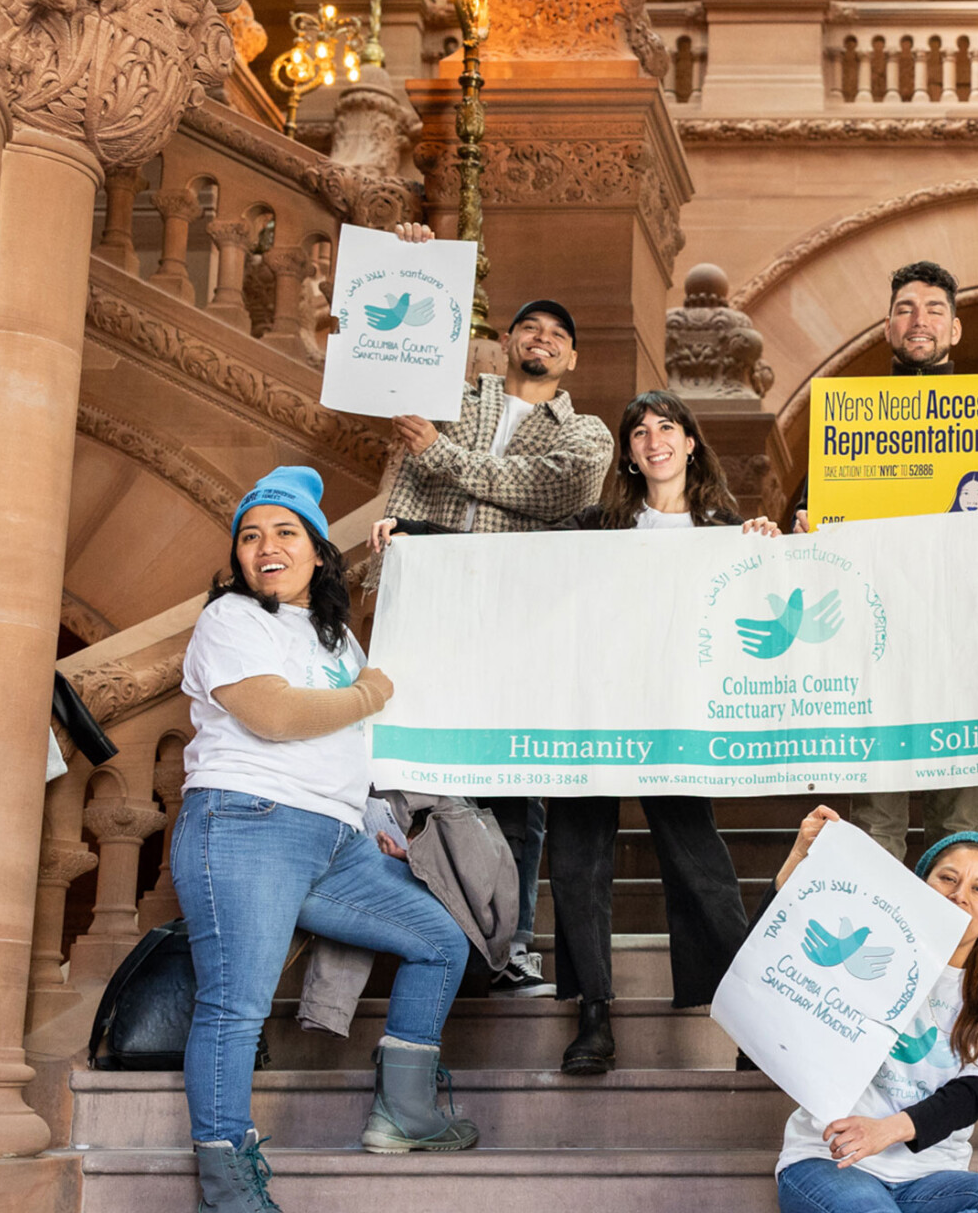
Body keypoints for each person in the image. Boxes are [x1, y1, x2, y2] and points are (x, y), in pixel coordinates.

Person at [174, 468, 478, 1211]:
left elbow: (348, 746)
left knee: (441, 941)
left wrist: (372, 820)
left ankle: (404, 1114)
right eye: (250, 536)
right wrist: (371, 691)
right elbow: (274, 716)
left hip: (335, 842)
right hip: (245, 823)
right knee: (235, 1005)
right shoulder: (230, 622)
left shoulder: (332, 637)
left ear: (316, 551)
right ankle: (228, 1187)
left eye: (284, 533)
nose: (264, 548)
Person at [369, 223, 613, 1003]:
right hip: (435, 611)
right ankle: (434, 930)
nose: (541, 341)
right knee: (425, 778)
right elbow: (385, 356)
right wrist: (407, 257)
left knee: (515, 784)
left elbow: (556, 489)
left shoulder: (585, 432)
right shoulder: (452, 396)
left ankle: (507, 945)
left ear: (572, 359)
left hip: (519, 620)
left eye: (557, 337)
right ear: (507, 342)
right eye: (529, 330)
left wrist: (442, 459)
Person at [544, 392, 763, 1076]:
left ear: (691, 441)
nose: (653, 439)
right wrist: (412, 538)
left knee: (700, 865)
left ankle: (754, 1022)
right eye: (639, 432)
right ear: (629, 452)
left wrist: (776, 550)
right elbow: (508, 566)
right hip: (595, 710)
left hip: (679, 715)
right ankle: (594, 1017)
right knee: (579, 862)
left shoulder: (728, 529)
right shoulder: (595, 524)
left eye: (666, 427)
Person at [772, 809, 978, 1213]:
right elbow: (782, 937)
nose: (959, 894)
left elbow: (977, 1093)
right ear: (921, 885)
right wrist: (799, 858)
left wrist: (886, 1131)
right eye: (947, 878)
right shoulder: (871, 948)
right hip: (830, 1162)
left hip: (931, 1178)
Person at [836, 259, 978, 862]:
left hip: (963, 641)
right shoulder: (848, 417)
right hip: (878, 644)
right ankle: (888, 953)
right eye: (904, 308)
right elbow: (818, 513)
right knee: (876, 825)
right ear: (888, 328)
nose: (918, 319)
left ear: (954, 330)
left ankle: (954, 957)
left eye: (934, 309)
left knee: (958, 824)